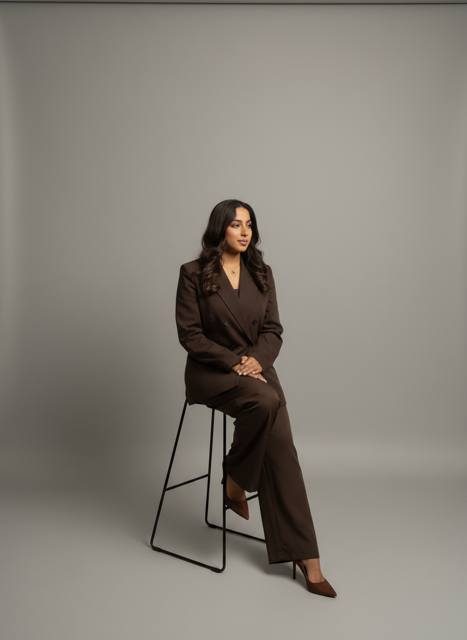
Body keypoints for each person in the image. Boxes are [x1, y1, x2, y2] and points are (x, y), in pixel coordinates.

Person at [175, 199, 336, 597]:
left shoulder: (262, 273)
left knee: (283, 450)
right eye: (235, 224)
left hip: (256, 368)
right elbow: (190, 335)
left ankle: (306, 554)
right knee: (266, 402)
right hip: (212, 370)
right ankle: (235, 477)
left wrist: (257, 361)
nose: (244, 231)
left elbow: (273, 330)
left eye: (249, 224)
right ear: (220, 229)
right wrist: (235, 362)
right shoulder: (193, 273)